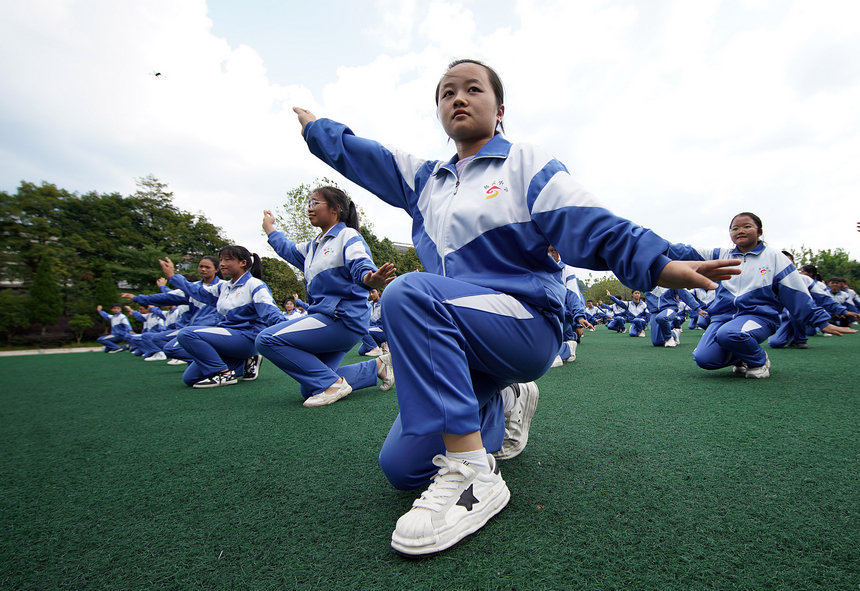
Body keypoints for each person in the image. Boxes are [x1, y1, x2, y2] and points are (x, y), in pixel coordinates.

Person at [293, 58, 739, 555]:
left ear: (499, 108)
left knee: (409, 292)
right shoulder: (425, 181)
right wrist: (319, 132)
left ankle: (474, 477)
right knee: (401, 469)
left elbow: (590, 220)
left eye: (472, 89)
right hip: (460, 335)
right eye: (446, 93)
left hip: (525, 322)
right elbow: (363, 155)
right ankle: (504, 402)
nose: (458, 98)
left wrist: (658, 263)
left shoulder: (523, 163)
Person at [256, 188, 397, 407]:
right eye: (309, 203)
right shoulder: (312, 248)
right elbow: (285, 248)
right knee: (310, 386)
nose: (309, 209)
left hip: (340, 319)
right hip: (332, 320)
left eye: (315, 203)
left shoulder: (347, 235)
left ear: (335, 209)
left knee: (266, 339)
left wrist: (370, 278)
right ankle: (377, 366)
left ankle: (334, 384)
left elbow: (360, 263)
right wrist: (270, 228)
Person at [681, 212, 855, 377]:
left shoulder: (774, 257)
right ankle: (742, 357)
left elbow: (796, 293)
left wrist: (821, 321)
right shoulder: (720, 255)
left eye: (747, 226)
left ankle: (759, 361)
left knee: (729, 334)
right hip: (723, 317)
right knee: (704, 359)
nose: (740, 231)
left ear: (760, 231)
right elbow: (685, 252)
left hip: (758, 316)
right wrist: (655, 244)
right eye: (734, 228)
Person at [159, 246, 285, 388]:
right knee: (190, 378)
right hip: (229, 337)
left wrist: (289, 333)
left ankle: (223, 373)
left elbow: (270, 312)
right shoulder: (223, 287)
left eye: (228, 259)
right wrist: (173, 277)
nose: (222, 263)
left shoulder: (254, 285)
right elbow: (197, 291)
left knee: (187, 334)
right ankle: (243, 363)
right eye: (221, 259)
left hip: (247, 338)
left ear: (243, 263)